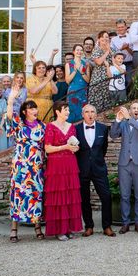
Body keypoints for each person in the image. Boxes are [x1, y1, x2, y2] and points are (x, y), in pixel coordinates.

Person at [5, 86, 45, 243]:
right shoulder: (18, 124)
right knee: (18, 196)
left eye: (35, 108)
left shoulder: (42, 126)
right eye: (30, 108)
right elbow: (9, 116)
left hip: (36, 167)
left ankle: (37, 227)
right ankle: (14, 229)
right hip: (21, 166)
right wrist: (11, 99)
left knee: (36, 195)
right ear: (24, 112)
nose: (34, 110)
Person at [74, 104, 116, 237]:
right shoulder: (76, 129)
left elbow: (103, 149)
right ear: (83, 114)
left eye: (92, 112)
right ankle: (89, 226)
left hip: (99, 168)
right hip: (82, 169)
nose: (90, 114)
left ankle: (107, 226)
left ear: (96, 114)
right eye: (87, 112)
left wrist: (96, 160)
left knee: (106, 196)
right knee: (84, 199)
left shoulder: (103, 129)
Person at [43, 101, 83, 241]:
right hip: (56, 165)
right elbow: (47, 148)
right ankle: (59, 230)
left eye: (68, 110)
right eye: (65, 109)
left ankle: (69, 228)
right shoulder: (50, 127)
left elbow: (74, 145)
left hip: (70, 163)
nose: (68, 112)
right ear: (57, 112)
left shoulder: (72, 127)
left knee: (70, 196)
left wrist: (74, 148)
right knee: (58, 197)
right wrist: (64, 147)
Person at [110, 103, 138, 233]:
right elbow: (113, 135)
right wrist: (117, 120)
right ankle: (125, 223)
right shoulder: (123, 123)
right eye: (133, 108)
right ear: (130, 111)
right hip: (124, 164)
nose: (136, 110)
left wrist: (128, 119)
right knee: (124, 195)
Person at [87, 31, 114, 112]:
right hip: (97, 77)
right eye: (103, 37)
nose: (105, 39)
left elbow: (115, 61)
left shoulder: (112, 49)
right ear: (99, 39)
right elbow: (98, 62)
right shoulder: (96, 49)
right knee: (96, 99)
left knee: (107, 99)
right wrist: (107, 52)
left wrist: (109, 50)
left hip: (108, 76)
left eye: (107, 37)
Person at [66, 44, 91, 123]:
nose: (79, 52)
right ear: (74, 52)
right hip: (73, 91)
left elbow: (88, 80)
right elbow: (67, 81)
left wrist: (82, 72)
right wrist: (75, 71)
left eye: (81, 50)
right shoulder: (69, 64)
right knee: (72, 112)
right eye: (77, 50)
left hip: (83, 91)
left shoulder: (86, 64)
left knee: (82, 112)